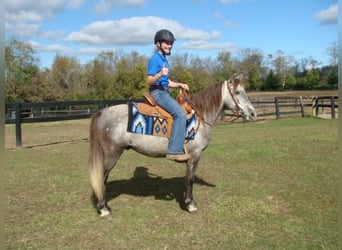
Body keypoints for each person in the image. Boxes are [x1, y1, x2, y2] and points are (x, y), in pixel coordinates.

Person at [147, 29, 191, 162]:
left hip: (164, 90)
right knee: (180, 114)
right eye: (166, 43)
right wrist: (159, 74)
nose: (170, 46)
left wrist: (179, 85)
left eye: (171, 43)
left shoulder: (164, 60)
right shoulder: (156, 59)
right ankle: (174, 150)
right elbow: (149, 80)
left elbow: (167, 82)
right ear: (158, 44)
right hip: (158, 92)